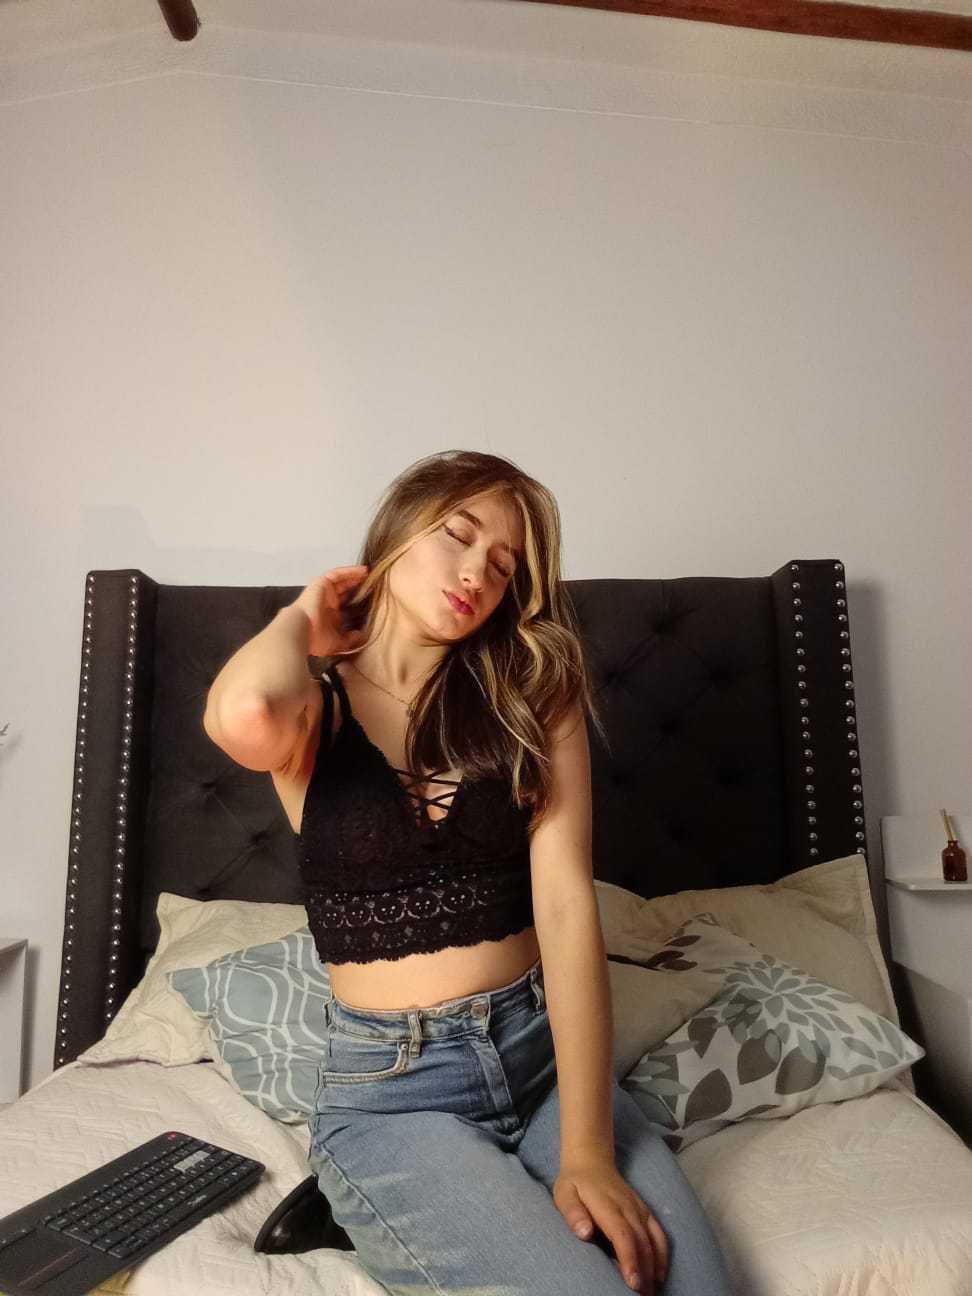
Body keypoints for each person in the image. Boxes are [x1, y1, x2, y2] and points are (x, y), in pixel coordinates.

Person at [204, 449, 735, 1296]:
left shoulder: (531, 695)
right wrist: (304, 617)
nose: (477, 573)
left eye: (504, 565)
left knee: (697, 1287)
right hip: (393, 1096)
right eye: (458, 535)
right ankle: (376, 1192)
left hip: (541, 1061)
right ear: (397, 533)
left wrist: (588, 1151)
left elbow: (565, 907)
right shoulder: (312, 705)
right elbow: (242, 711)